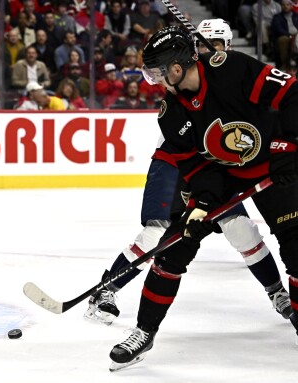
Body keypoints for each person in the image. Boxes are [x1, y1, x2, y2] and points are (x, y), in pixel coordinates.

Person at [107, 25, 298, 371]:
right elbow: (197, 167)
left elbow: (292, 94)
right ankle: (144, 330)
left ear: (176, 69)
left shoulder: (231, 68)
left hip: (272, 165)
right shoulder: (171, 112)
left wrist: (289, 146)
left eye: (156, 73)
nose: (155, 82)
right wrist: (203, 205)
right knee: (173, 246)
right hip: (223, 174)